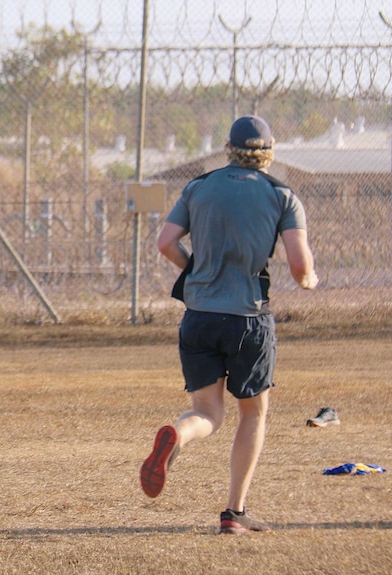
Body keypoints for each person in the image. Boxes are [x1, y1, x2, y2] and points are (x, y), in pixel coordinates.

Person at [142, 116, 318, 534]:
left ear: (228, 148)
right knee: (252, 414)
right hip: (248, 320)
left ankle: (179, 437)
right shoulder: (282, 195)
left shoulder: (198, 187)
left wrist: (197, 270)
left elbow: (165, 243)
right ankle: (234, 513)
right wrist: (308, 279)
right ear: (269, 151)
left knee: (207, 412)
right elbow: (299, 265)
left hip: (199, 316)